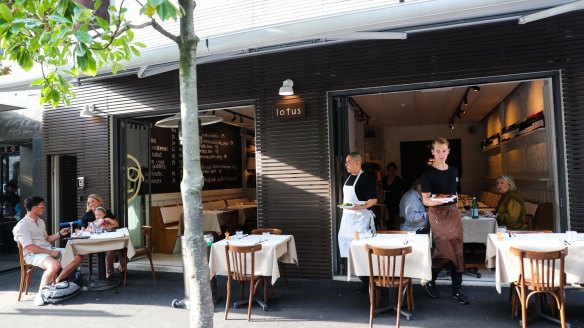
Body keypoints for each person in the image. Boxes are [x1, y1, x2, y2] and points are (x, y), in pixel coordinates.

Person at [420, 137, 469, 305]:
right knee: (443, 247)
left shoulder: (454, 170)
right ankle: (429, 278)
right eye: (438, 151)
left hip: (453, 212)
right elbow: (425, 200)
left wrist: (454, 204)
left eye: (444, 151)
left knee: (457, 248)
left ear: (448, 152)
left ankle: (457, 289)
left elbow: (453, 193)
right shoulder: (427, 174)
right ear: (433, 152)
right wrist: (438, 202)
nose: (441, 154)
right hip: (437, 212)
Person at [12, 196, 83, 306]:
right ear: (35, 208)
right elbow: (29, 247)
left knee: (77, 256)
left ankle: (57, 281)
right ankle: (40, 294)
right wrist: (51, 253)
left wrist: (59, 234)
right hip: (32, 254)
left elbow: (46, 239)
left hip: (47, 249)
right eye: (42, 207)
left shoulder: (40, 222)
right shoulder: (22, 226)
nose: (44, 209)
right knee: (54, 265)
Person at [338, 152, 378, 259]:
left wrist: (361, 207)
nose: (346, 165)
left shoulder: (366, 178)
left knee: (360, 249)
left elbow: (373, 200)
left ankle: (362, 274)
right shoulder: (348, 178)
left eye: (348, 163)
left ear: (357, 163)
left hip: (360, 220)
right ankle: (351, 272)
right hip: (347, 219)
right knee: (345, 243)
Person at [80, 194, 122, 278]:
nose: (91, 204)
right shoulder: (86, 215)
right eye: (89, 203)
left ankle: (112, 270)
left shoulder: (106, 212)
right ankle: (109, 271)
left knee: (119, 247)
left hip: (107, 239)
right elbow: (83, 231)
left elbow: (116, 224)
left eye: (93, 201)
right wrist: (90, 229)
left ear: (99, 201)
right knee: (112, 249)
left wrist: (105, 227)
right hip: (93, 241)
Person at [382, 162, 404, 230]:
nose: (391, 171)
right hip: (387, 199)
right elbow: (382, 188)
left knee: (396, 215)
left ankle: (396, 229)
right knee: (388, 215)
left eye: (392, 169)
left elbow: (402, 189)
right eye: (389, 169)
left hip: (396, 199)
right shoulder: (385, 179)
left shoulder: (398, 179)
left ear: (395, 170)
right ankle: (389, 229)